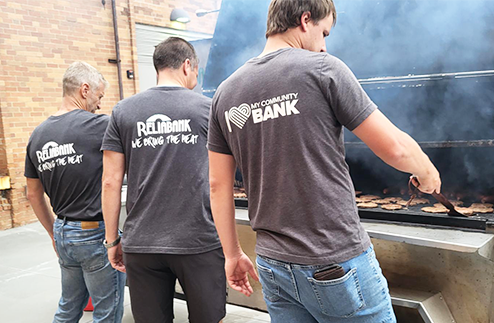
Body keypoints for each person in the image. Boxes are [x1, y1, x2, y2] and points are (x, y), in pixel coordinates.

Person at [207, 0, 442, 322]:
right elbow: (396, 149)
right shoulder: (323, 69)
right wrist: (427, 172)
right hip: (333, 260)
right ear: (306, 20)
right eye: (324, 32)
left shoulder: (225, 92)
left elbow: (217, 185)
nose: (323, 45)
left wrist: (232, 254)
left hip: (272, 263)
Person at [101, 37, 226, 323]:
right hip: (199, 241)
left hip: (141, 243)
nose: (196, 77)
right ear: (186, 66)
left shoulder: (123, 111)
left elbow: (110, 181)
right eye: (196, 71)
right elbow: (224, 175)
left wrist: (112, 241)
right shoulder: (208, 108)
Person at [25, 61, 126, 323]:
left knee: (69, 306)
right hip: (94, 234)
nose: (100, 104)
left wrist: (53, 232)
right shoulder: (100, 126)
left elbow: (33, 194)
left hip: (63, 232)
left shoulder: (37, 135)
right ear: (84, 89)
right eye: (99, 96)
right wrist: (113, 240)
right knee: (107, 311)